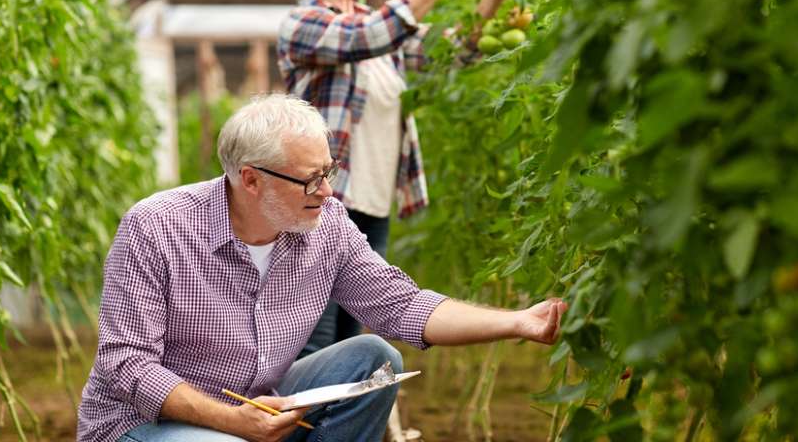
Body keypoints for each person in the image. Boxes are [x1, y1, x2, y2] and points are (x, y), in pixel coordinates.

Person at [76, 95, 567, 442]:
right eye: (310, 180)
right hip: (143, 427)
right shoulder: (156, 227)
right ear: (250, 179)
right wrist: (233, 422)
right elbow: (127, 367)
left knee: (375, 358)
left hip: (258, 405)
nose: (327, 192)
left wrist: (518, 322)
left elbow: (401, 307)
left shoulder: (326, 223)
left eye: (328, 172)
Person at [278, 0, 512, 356]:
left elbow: (450, 52)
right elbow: (371, 34)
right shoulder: (304, 25)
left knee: (350, 346)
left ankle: (338, 427)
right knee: (312, 344)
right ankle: (281, 426)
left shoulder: (380, 30)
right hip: (321, 206)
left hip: (371, 207)